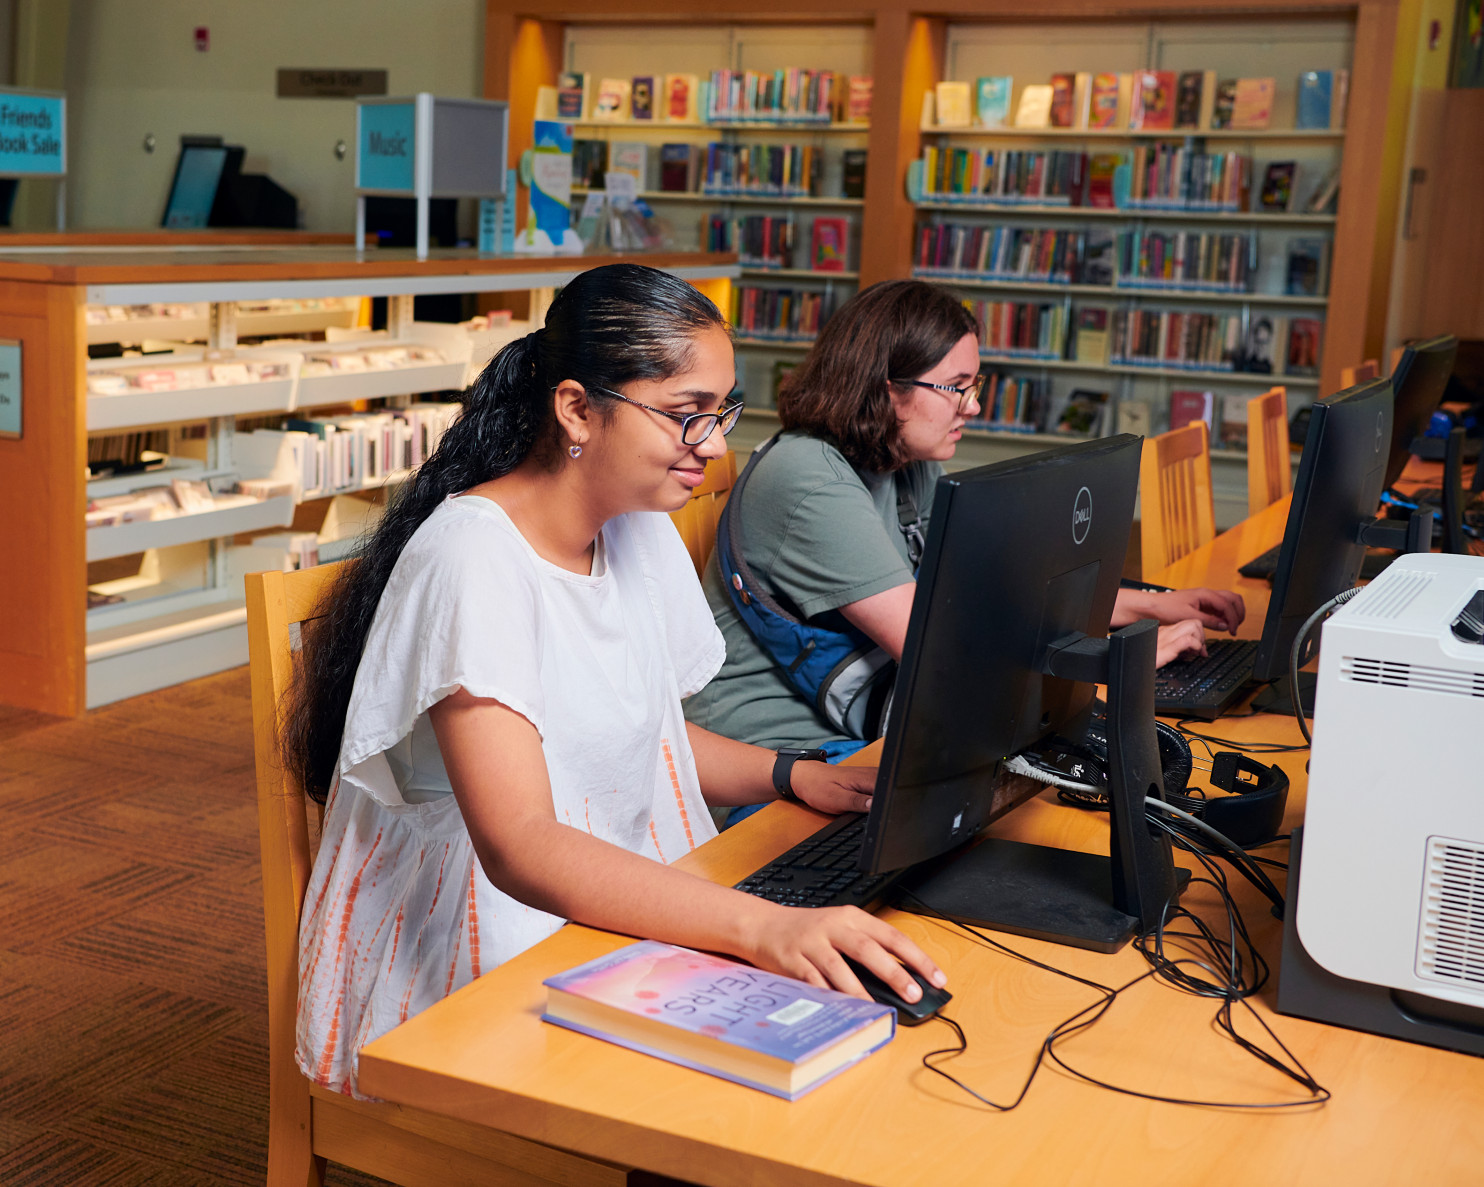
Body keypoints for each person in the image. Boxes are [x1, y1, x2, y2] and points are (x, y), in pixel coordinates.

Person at [283, 264, 943, 1097]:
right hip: (471, 953)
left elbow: (650, 733)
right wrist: (761, 925)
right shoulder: (472, 559)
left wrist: (793, 772)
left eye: (722, 410)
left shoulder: (636, 523)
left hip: (595, 906)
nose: (715, 444)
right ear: (575, 409)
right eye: (685, 415)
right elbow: (520, 844)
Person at [684, 279, 1245, 763]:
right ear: (888, 390)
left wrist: (1145, 605)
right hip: (781, 761)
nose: (973, 406)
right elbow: (942, 648)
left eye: (974, 386)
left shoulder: (900, 461)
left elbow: (984, 596)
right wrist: (1119, 660)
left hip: (863, 731)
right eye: (956, 387)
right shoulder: (807, 477)